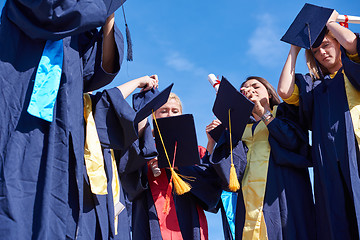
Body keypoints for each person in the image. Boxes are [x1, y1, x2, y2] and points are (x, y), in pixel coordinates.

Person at [0, 0, 127, 238]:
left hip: (63, 123)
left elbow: (95, 72)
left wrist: (108, 17)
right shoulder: (56, 10)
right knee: (17, 199)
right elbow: (53, 12)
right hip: (21, 111)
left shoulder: (77, 24)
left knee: (58, 210)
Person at [278, 7, 360, 239]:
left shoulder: (354, 70)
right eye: (316, 50)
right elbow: (284, 91)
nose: (322, 53)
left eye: (327, 45)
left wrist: (331, 23)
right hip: (327, 159)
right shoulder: (313, 86)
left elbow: (353, 44)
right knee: (335, 216)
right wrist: (294, 49)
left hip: (356, 149)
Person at [210, 76, 315, 240]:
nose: (250, 90)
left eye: (255, 86)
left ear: (269, 93)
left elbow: (294, 143)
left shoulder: (285, 112)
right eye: (244, 89)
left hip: (283, 191)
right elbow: (231, 173)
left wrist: (263, 113)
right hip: (248, 199)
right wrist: (226, 130)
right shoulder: (240, 129)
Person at [121, 92, 222, 240]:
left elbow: (212, 194)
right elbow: (128, 183)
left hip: (188, 219)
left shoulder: (197, 151)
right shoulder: (143, 149)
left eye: (175, 111)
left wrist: (177, 166)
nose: (170, 115)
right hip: (150, 218)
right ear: (153, 116)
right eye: (163, 111)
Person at [82, 75, 159, 240]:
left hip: (113, 202)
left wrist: (143, 107)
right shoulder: (80, 108)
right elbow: (106, 101)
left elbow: (132, 152)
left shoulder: (100, 123)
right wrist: (138, 82)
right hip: (86, 197)